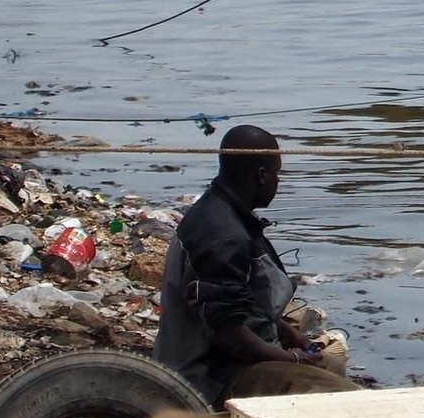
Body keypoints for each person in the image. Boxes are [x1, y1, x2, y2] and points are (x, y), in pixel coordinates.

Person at [154, 125, 359, 403]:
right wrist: (291, 359)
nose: (278, 181)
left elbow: (244, 303)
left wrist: (290, 334)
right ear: (262, 176)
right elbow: (228, 333)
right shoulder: (222, 235)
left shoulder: (224, 212)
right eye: (277, 174)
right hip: (211, 375)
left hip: (230, 360)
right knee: (342, 397)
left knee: (331, 364)